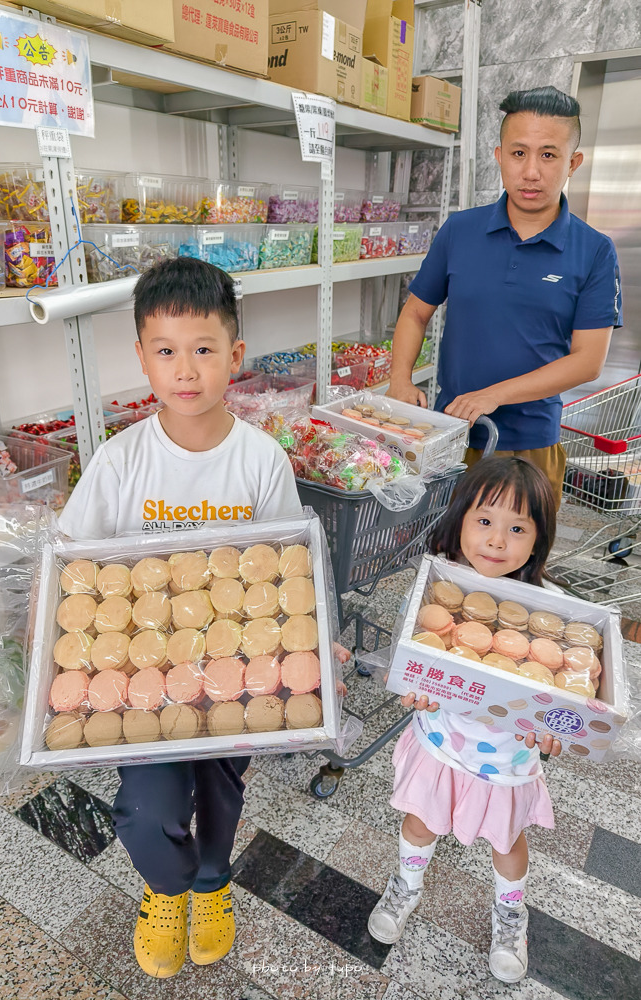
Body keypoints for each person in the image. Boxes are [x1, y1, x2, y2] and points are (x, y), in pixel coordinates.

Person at [58, 257, 306, 979]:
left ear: (235, 356)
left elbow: (291, 570)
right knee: (147, 799)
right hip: (140, 670)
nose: (185, 370)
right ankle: (166, 888)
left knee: (219, 786)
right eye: (165, 351)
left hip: (239, 665)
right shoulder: (120, 461)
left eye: (203, 349)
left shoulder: (260, 460)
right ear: (141, 359)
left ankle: (210, 882)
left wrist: (312, 662)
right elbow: (71, 564)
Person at [368, 457, 563, 985]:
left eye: (518, 528)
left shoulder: (552, 615)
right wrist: (413, 690)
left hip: (505, 760)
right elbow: (414, 661)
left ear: (537, 541)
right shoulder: (436, 591)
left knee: (508, 842)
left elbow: (562, 706)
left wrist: (555, 730)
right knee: (420, 820)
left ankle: (510, 915)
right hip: (439, 745)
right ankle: (407, 884)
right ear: (459, 519)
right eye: (485, 520)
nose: (497, 540)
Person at [389, 86, 622, 506]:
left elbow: (588, 361)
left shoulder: (595, 250)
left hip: (532, 445)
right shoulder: (459, 231)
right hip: (451, 437)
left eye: (548, 155)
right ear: (499, 156)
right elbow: (415, 313)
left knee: (518, 563)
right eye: (519, 153)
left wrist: (494, 394)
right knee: (445, 555)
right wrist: (400, 378)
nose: (531, 171)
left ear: (573, 163)